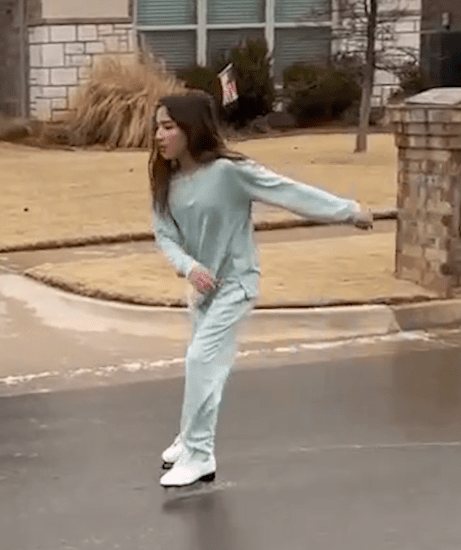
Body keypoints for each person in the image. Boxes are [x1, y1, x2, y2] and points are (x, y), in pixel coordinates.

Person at [150, 91, 374, 488]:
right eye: (158, 127)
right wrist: (190, 267)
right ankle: (190, 439)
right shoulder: (166, 178)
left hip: (236, 283)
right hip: (202, 289)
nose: (159, 135)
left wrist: (348, 210)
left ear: (190, 128)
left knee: (201, 360)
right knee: (210, 367)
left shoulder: (228, 172)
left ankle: (199, 453)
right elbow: (164, 235)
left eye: (168, 127)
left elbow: (288, 192)